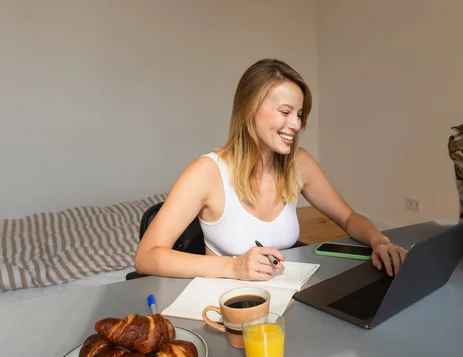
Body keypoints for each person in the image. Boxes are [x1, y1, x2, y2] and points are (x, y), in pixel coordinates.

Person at [135, 58, 408, 281]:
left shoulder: (298, 163)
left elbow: (348, 219)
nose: (297, 125)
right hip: (226, 309)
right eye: (285, 111)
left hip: (285, 302)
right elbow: (146, 257)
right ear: (249, 110)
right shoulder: (207, 172)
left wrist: (379, 240)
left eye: (299, 114)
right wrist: (233, 267)